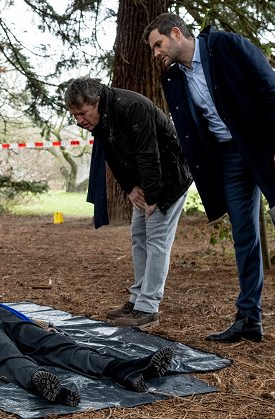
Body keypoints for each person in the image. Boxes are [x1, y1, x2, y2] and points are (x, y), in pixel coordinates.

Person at [143, 13, 275, 353]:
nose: (156, 53)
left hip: (269, 150)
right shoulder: (172, 79)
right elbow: (187, 135)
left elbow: (270, 88)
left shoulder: (226, 46)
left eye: (158, 44)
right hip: (229, 160)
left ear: (176, 33)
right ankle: (249, 318)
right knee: (244, 236)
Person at [63, 77, 192, 330]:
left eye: (82, 113)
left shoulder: (132, 106)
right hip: (144, 184)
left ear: (96, 101)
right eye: (74, 115)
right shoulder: (100, 119)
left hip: (168, 179)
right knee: (139, 237)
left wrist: (153, 197)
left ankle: (148, 308)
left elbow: (149, 153)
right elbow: (111, 155)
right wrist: (130, 189)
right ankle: (136, 300)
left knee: (156, 241)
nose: (79, 120)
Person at [0, 292, 174, 406]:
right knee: (5, 351)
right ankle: (40, 382)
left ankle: (125, 369)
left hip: (3, 314)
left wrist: (45, 326)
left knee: (59, 345)